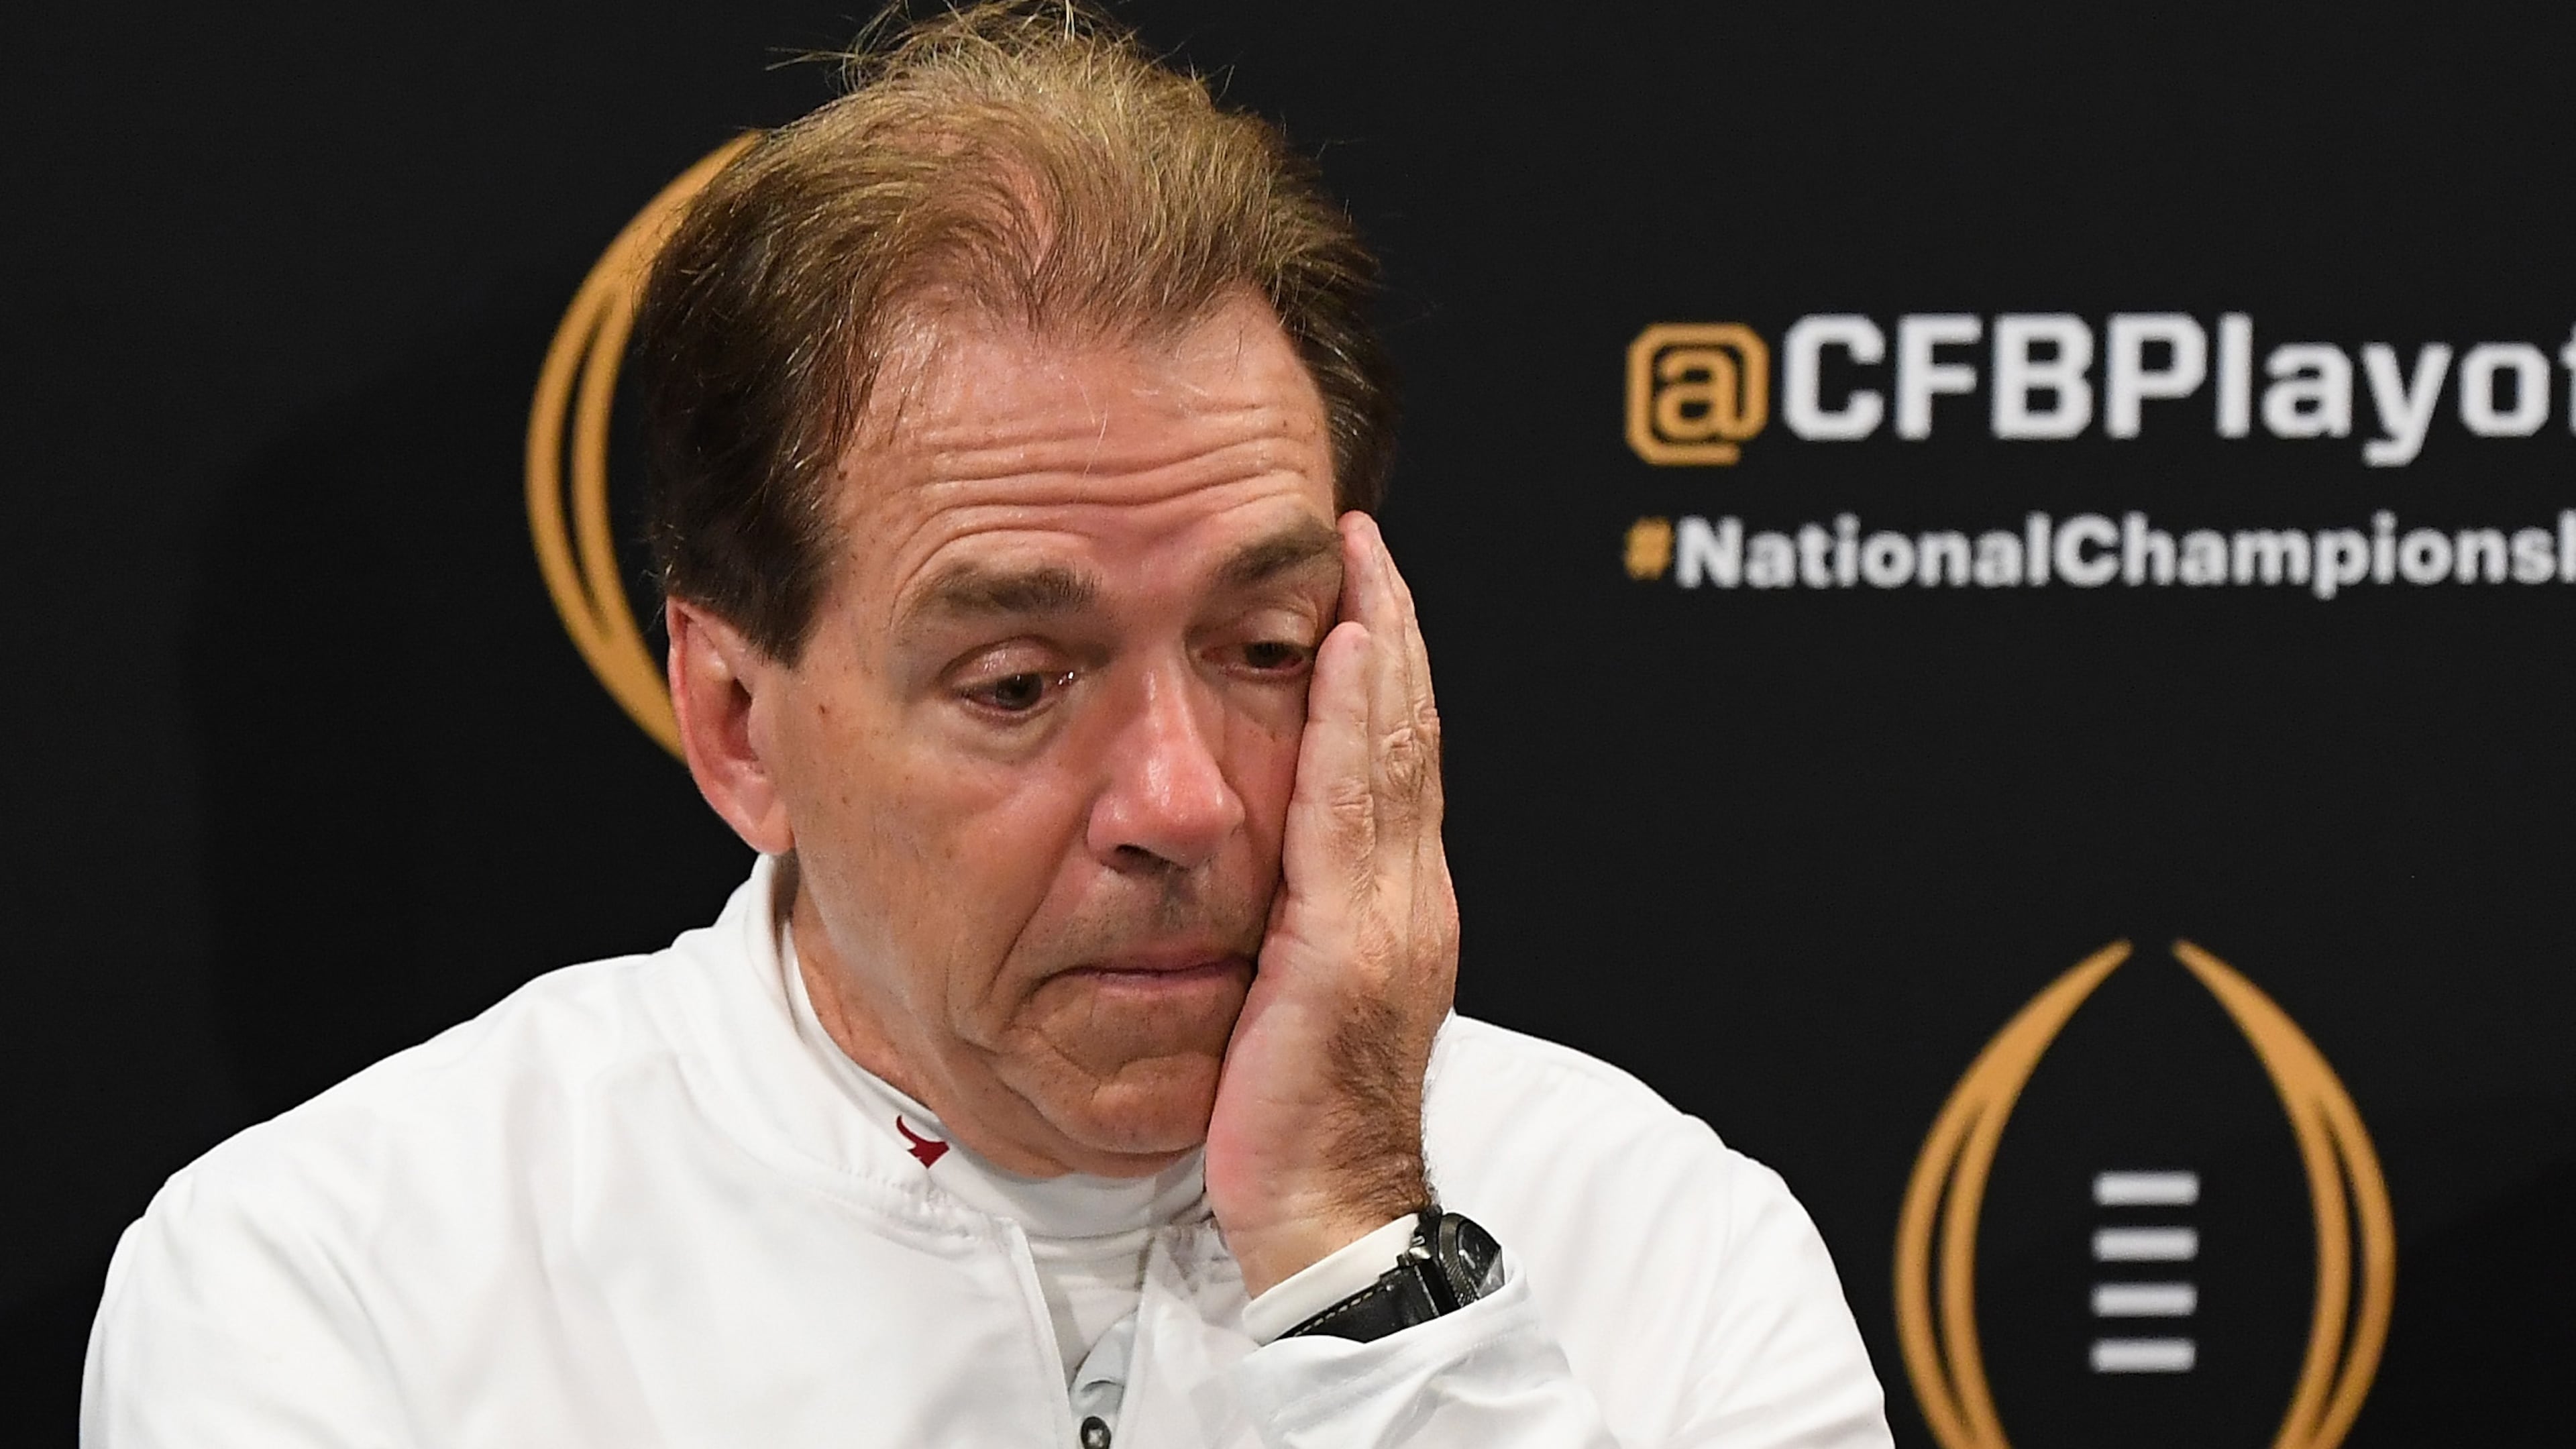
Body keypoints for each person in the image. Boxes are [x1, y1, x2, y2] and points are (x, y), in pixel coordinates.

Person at [83, 5, 1893, 1445]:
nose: (1181, 801)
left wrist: (1358, 1251)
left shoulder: (1662, 1239)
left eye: (1265, 647)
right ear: (734, 721)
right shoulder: (336, 1287)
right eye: (1018, 686)